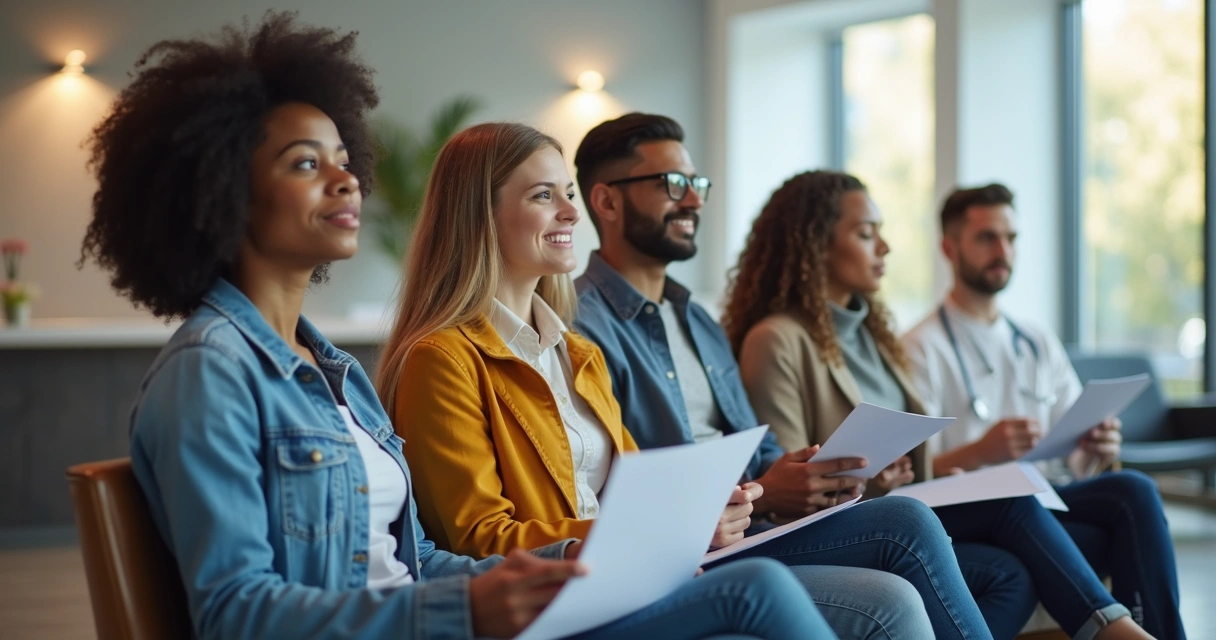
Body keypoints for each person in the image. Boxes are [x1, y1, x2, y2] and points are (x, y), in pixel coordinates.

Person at [80, 15, 827, 640]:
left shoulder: (332, 373)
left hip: (459, 618)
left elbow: (416, 559)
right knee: (754, 594)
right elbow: (237, 614)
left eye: (344, 160)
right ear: (218, 190)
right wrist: (465, 605)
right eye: (306, 164)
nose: (346, 180)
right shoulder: (210, 373)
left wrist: (544, 569)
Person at [570, 113, 996, 640]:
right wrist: (767, 492)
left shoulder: (698, 321)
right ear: (607, 202)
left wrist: (807, 476)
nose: (694, 201)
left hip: (755, 527)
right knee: (905, 533)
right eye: (672, 184)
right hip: (697, 544)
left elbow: (759, 447)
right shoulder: (580, 324)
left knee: (932, 534)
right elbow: (623, 482)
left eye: (696, 184)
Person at [724, 169, 1160, 640]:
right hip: (861, 518)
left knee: (1088, 517)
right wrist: (871, 481)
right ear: (814, 244)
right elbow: (791, 483)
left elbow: (910, 453)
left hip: (910, 501)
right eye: (867, 234)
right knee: (1008, 510)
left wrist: (918, 474)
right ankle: (1114, 629)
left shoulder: (872, 334)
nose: (885, 248)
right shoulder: (779, 340)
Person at [901, 183, 1186, 639]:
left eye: (1011, 238)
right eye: (986, 238)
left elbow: (1074, 456)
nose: (1003, 250)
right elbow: (913, 477)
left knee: (1132, 488)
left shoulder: (1035, 339)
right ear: (949, 248)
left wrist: (1095, 445)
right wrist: (980, 451)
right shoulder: (919, 348)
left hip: (1046, 499)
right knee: (1087, 525)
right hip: (975, 512)